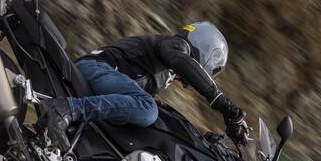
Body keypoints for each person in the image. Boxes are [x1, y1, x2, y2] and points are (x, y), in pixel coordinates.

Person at [40, 21, 248, 151]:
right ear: (208, 52)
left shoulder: (167, 70)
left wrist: (202, 139)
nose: (207, 73)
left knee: (153, 119)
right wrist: (223, 105)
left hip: (100, 74)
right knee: (148, 109)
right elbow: (181, 62)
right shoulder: (174, 46)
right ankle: (67, 108)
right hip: (95, 68)